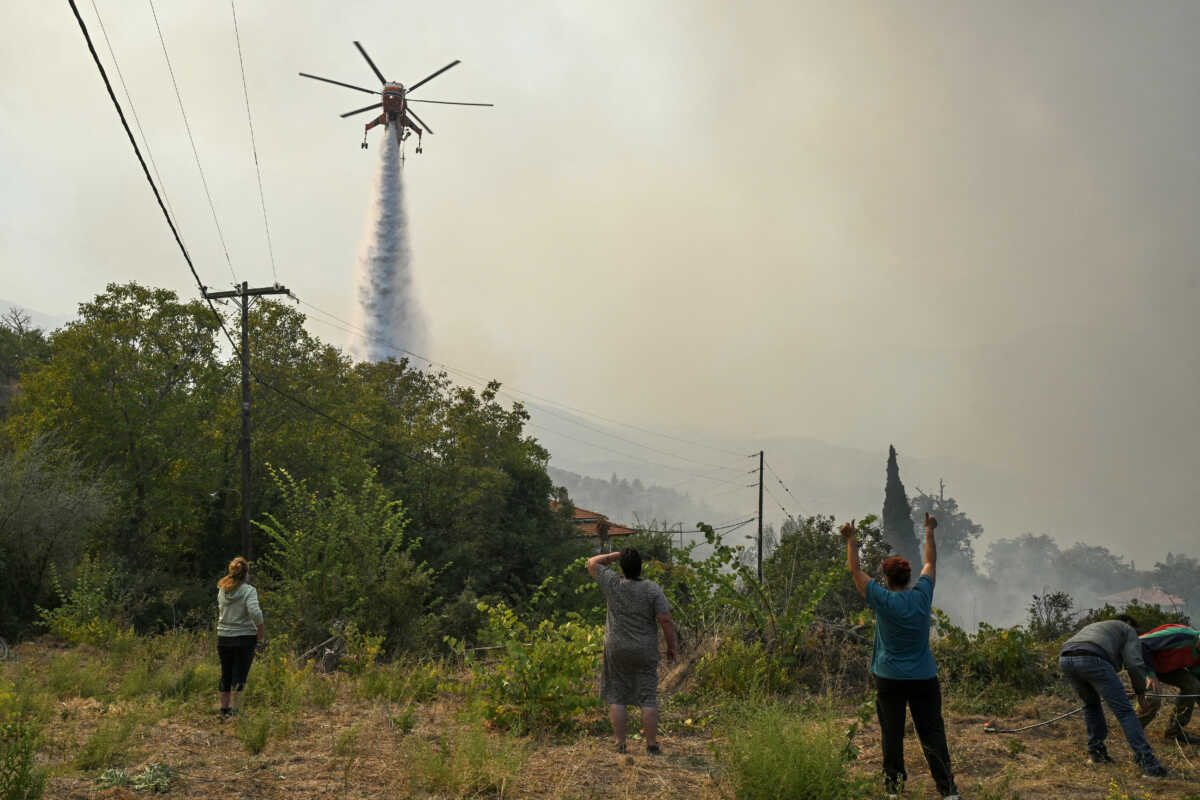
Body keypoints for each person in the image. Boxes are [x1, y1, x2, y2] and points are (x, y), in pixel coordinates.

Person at [842, 513, 959, 800]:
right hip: (923, 677)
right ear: (908, 577)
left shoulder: (882, 599)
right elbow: (930, 562)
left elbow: (855, 571)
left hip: (889, 678)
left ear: (886, 578)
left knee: (891, 735)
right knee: (932, 733)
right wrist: (929, 530)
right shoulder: (921, 596)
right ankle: (948, 792)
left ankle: (893, 791)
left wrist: (851, 539)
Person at [587, 547, 677, 754]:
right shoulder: (652, 589)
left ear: (622, 567)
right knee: (648, 697)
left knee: (617, 695)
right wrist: (671, 647)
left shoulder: (612, 583)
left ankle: (620, 743)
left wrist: (614, 556)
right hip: (644, 649)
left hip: (616, 647)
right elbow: (665, 619)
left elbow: (592, 562)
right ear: (641, 567)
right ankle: (652, 745)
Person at [1058, 616, 1167, 776]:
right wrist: (1140, 691)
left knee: (1091, 705)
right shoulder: (1128, 630)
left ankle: (1097, 755)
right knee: (1125, 712)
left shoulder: (1097, 626)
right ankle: (1148, 765)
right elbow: (1134, 664)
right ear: (1130, 624)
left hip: (1065, 658)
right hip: (1092, 658)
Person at [216, 556, 264, 720]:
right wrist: (260, 629)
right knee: (240, 675)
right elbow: (255, 612)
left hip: (224, 637)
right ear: (246, 573)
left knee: (226, 674)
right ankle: (236, 712)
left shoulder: (222, 589)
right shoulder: (249, 590)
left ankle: (223, 711)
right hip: (244, 638)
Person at [1137, 623, 1200, 745]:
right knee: (1153, 698)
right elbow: (1140, 644)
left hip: (1165, 668)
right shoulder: (1180, 635)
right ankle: (1133, 730)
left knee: (1193, 686)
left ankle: (1174, 732)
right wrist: (1150, 674)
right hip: (1141, 662)